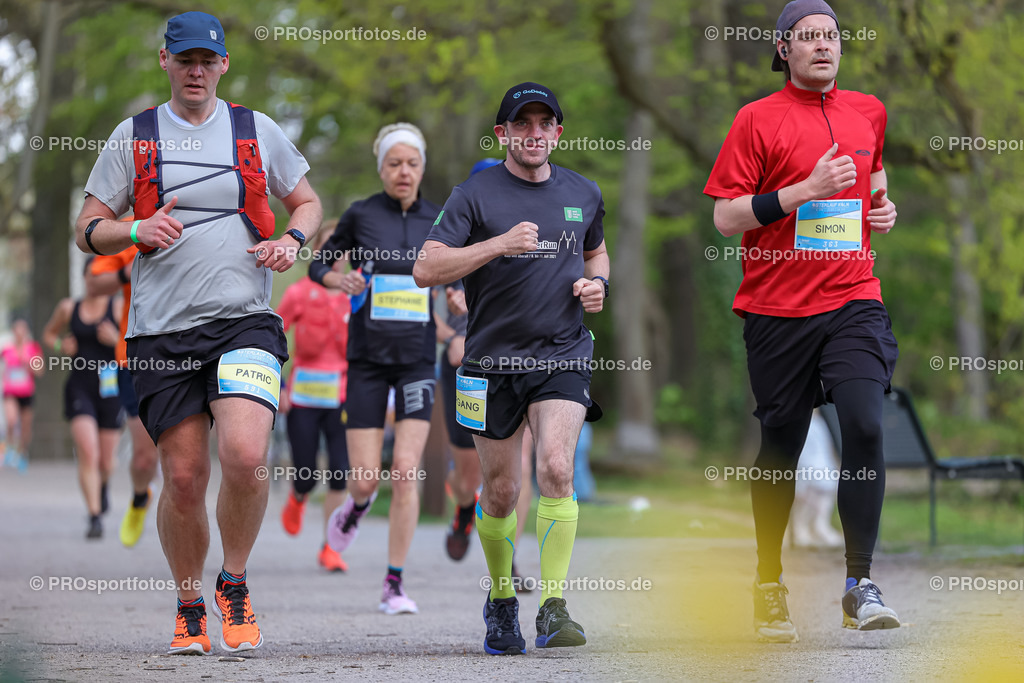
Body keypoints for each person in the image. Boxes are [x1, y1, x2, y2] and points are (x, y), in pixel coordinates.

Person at [74, 11, 321, 655]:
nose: (195, 71)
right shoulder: (134, 138)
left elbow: (309, 203)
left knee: (244, 455)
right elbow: (87, 226)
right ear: (165, 62)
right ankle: (189, 601)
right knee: (182, 478)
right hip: (160, 334)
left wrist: (292, 241)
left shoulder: (255, 130)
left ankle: (232, 584)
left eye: (206, 60)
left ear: (223, 66)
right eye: (184, 59)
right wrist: (135, 231)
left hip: (245, 321)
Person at [704, 0, 901, 642]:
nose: (823, 45)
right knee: (781, 445)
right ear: (783, 49)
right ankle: (768, 582)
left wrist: (882, 206)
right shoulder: (755, 119)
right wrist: (802, 191)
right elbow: (727, 218)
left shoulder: (867, 110)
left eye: (831, 36)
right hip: (776, 310)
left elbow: (875, 176)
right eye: (808, 37)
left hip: (853, 299)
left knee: (867, 427)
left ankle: (859, 583)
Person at [414, 81, 609, 655]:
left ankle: (553, 606)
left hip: (562, 352)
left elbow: (596, 249)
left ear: (557, 132)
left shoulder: (584, 191)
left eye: (543, 123)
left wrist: (596, 283)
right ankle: (502, 599)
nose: (533, 134)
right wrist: (496, 245)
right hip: (490, 363)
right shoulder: (474, 194)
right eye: (520, 124)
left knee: (555, 467)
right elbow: (427, 269)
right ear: (502, 134)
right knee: (499, 489)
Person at [316, 122, 442, 616]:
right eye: (394, 163)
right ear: (381, 168)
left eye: (412, 163)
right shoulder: (361, 214)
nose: (403, 171)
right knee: (366, 479)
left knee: (406, 470)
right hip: (366, 361)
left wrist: (455, 292)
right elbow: (319, 264)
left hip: (416, 361)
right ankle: (357, 506)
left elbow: (461, 271)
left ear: (422, 168)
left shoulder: (442, 218)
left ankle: (394, 583)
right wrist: (338, 278)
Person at [440, 159, 534, 591]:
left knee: (523, 467)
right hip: (468, 368)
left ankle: (509, 559)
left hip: (525, 366)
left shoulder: (522, 243)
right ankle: (463, 511)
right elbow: (422, 308)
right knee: (470, 475)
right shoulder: (453, 241)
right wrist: (449, 335)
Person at [277, 225, 351, 572]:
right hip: (303, 396)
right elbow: (272, 337)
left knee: (340, 473)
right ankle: (298, 495)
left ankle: (331, 546)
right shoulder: (297, 293)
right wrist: (278, 387)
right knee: (306, 473)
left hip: (343, 396)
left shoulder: (355, 295)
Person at [42, 262, 124, 539]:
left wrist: (115, 340)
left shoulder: (118, 308)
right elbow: (49, 333)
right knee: (89, 452)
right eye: (92, 276)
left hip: (111, 390)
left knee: (106, 461)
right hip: (79, 388)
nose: (96, 281)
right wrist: (59, 346)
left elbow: (133, 345)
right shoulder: (69, 307)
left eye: (102, 276)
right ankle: (94, 516)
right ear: (84, 278)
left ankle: (103, 487)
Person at [86, 243, 159, 548]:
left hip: (193, 356)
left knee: (184, 465)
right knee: (144, 461)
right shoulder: (132, 230)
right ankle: (141, 497)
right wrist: (127, 271)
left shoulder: (209, 215)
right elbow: (93, 282)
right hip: (135, 358)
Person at [2, 319, 44, 471]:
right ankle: (10, 450)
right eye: (16, 330)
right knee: (12, 421)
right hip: (10, 392)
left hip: (26, 392)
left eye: (22, 330)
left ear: (26, 332)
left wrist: (29, 364)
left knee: (26, 428)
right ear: (13, 332)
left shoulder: (33, 348)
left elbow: (40, 371)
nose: (19, 333)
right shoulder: (7, 349)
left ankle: (23, 453)